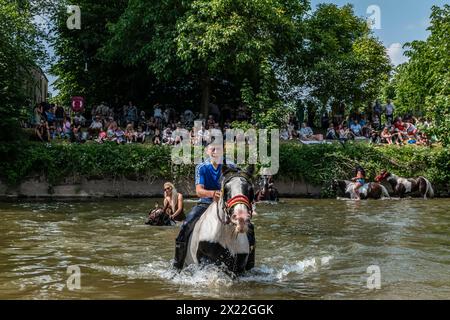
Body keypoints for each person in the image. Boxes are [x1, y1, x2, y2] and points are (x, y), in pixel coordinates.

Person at [172, 143, 255, 270]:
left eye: (219, 149)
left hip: (227, 205)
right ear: (207, 151)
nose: (216, 151)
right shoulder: (201, 167)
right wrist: (213, 194)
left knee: (250, 228)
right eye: (213, 148)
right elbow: (199, 191)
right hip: (205, 203)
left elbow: (239, 181)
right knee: (186, 225)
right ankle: (177, 267)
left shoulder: (232, 166)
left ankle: (250, 267)